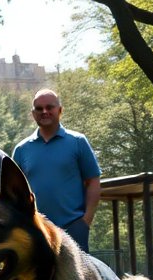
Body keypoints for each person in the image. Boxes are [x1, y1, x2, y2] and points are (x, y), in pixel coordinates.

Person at [13, 89, 102, 252]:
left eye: (49, 107)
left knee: (75, 278)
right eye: (39, 109)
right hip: (36, 230)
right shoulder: (21, 150)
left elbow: (93, 182)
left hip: (73, 228)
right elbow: (14, 191)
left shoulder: (78, 142)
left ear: (60, 110)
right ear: (33, 114)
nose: (44, 112)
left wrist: (85, 221)